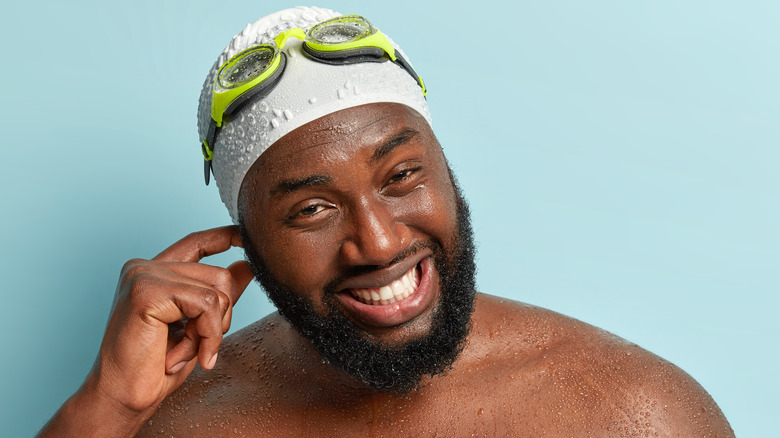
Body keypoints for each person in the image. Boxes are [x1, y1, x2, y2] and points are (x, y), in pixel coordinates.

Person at [39, 6, 734, 437]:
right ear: (245, 242)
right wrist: (106, 407)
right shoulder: (180, 424)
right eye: (312, 209)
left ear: (445, 168)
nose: (379, 242)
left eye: (401, 177)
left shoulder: (630, 414)